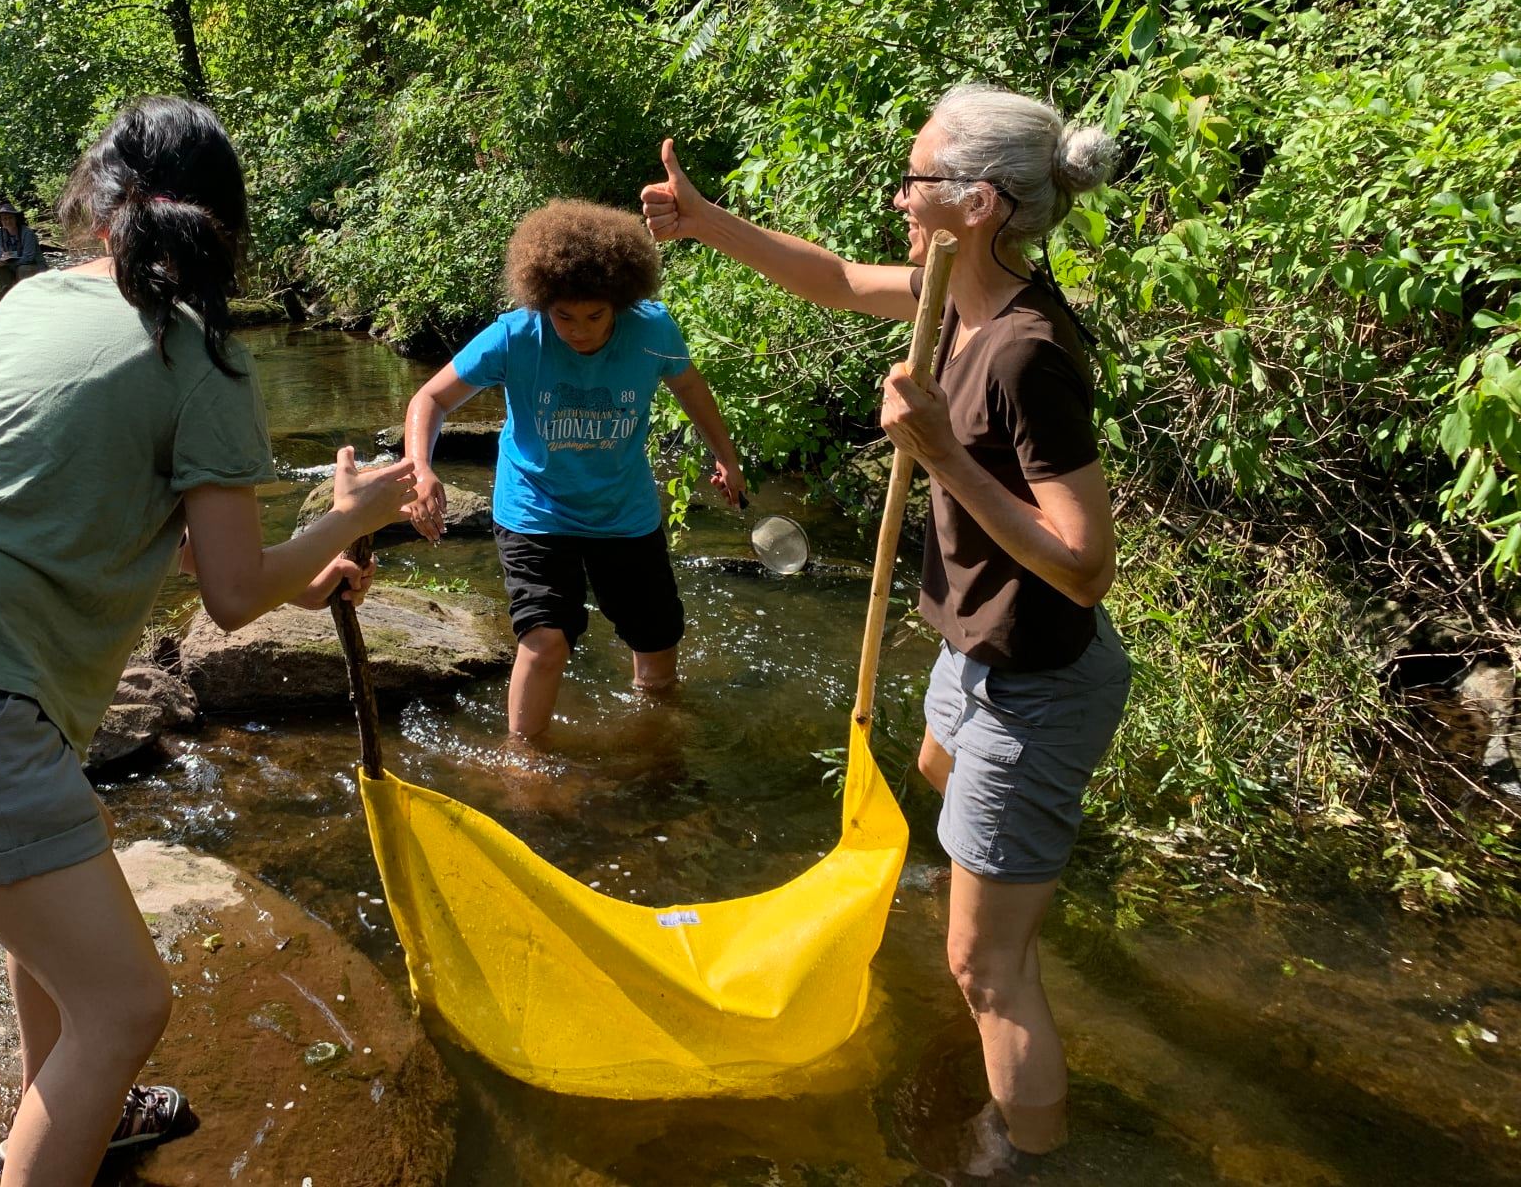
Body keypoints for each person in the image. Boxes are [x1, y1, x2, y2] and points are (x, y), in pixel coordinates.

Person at [0, 97, 416, 1187]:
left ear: (99, 215)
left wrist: (308, 569)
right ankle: (65, 1119)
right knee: (128, 1004)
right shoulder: (207, 362)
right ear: (227, 230)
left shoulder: (32, 300)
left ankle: (92, 1110)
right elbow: (229, 595)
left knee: (63, 899)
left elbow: (151, 535)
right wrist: (354, 514)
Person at [643, 86, 1126, 1172]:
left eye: (916, 179)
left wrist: (944, 453)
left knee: (986, 974)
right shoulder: (953, 295)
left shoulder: (1024, 352)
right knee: (930, 768)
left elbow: (1087, 567)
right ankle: (1009, 887)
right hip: (979, 653)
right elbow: (832, 279)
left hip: (1039, 674)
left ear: (980, 202)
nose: (900, 198)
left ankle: (1029, 1160)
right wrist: (708, 220)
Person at [403, 198, 745, 738]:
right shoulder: (515, 336)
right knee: (545, 641)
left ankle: (653, 749)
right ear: (543, 302)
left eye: (594, 315)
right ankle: (524, 764)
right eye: (564, 316)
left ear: (619, 303)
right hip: (535, 510)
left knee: (655, 642)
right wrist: (420, 468)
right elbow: (432, 399)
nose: (578, 331)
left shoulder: (651, 331)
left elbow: (690, 389)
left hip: (624, 512)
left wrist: (726, 457)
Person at [0, 202, 46, 293]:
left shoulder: (28, 233)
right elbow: (1, 255)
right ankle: (6, 293)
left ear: (16, 219)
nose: (8, 221)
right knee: (2, 268)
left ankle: (26, 293)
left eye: (10, 218)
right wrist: (2, 260)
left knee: (23, 268)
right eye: (4, 219)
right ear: (1, 222)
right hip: (14, 265)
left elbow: (28, 257)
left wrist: (9, 261)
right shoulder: (0, 234)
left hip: (35, 266)